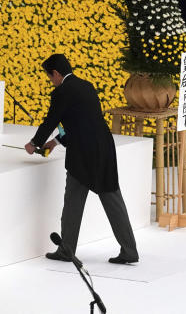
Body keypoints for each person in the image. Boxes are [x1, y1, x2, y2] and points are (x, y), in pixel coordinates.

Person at [25, 53, 139, 265]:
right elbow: (81, 122)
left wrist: (35, 143)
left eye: (50, 77)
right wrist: (55, 142)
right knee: (113, 198)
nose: (52, 81)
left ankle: (67, 250)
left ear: (57, 73)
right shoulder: (86, 86)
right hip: (104, 148)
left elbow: (51, 121)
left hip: (83, 155)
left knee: (73, 202)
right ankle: (130, 249)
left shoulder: (61, 92)